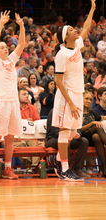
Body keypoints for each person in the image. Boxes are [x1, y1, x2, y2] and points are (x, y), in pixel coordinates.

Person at [52, 0, 96, 181]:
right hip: (67, 96)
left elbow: (85, 28)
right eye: (70, 29)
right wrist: (70, 102)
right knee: (64, 132)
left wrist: (92, 9)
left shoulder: (76, 45)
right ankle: (63, 168)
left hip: (77, 94)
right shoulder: (62, 54)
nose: (74, 30)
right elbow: (57, 80)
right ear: (65, 37)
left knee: (72, 133)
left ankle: (56, 159)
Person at [0, 11, 25, 181]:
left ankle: (8, 168)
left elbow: (21, 44)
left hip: (13, 103)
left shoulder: (11, 60)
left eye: (5, 46)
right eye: (2, 47)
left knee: (10, 137)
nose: (5, 48)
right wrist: (1, 25)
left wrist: (21, 26)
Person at [46, 109, 90, 178]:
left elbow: (77, 128)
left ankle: (78, 169)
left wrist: (77, 134)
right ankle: (66, 169)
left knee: (84, 141)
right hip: (53, 139)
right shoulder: (54, 112)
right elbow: (55, 133)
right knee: (65, 141)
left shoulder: (72, 112)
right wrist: (70, 135)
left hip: (69, 138)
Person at [14, 88, 41, 174]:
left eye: (27, 94)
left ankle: (32, 168)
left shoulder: (32, 108)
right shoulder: (13, 108)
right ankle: (33, 167)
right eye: (24, 94)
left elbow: (38, 123)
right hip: (17, 137)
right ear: (18, 97)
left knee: (39, 145)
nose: (27, 96)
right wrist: (25, 121)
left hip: (30, 136)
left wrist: (31, 123)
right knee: (22, 145)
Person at [82, 90, 106, 176]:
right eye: (86, 99)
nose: (88, 101)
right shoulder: (77, 112)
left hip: (92, 139)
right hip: (81, 138)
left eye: (90, 99)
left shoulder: (92, 113)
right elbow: (79, 130)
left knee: (96, 137)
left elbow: (102, 118)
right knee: (96, 126)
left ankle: (104, 167)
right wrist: (92, 123)